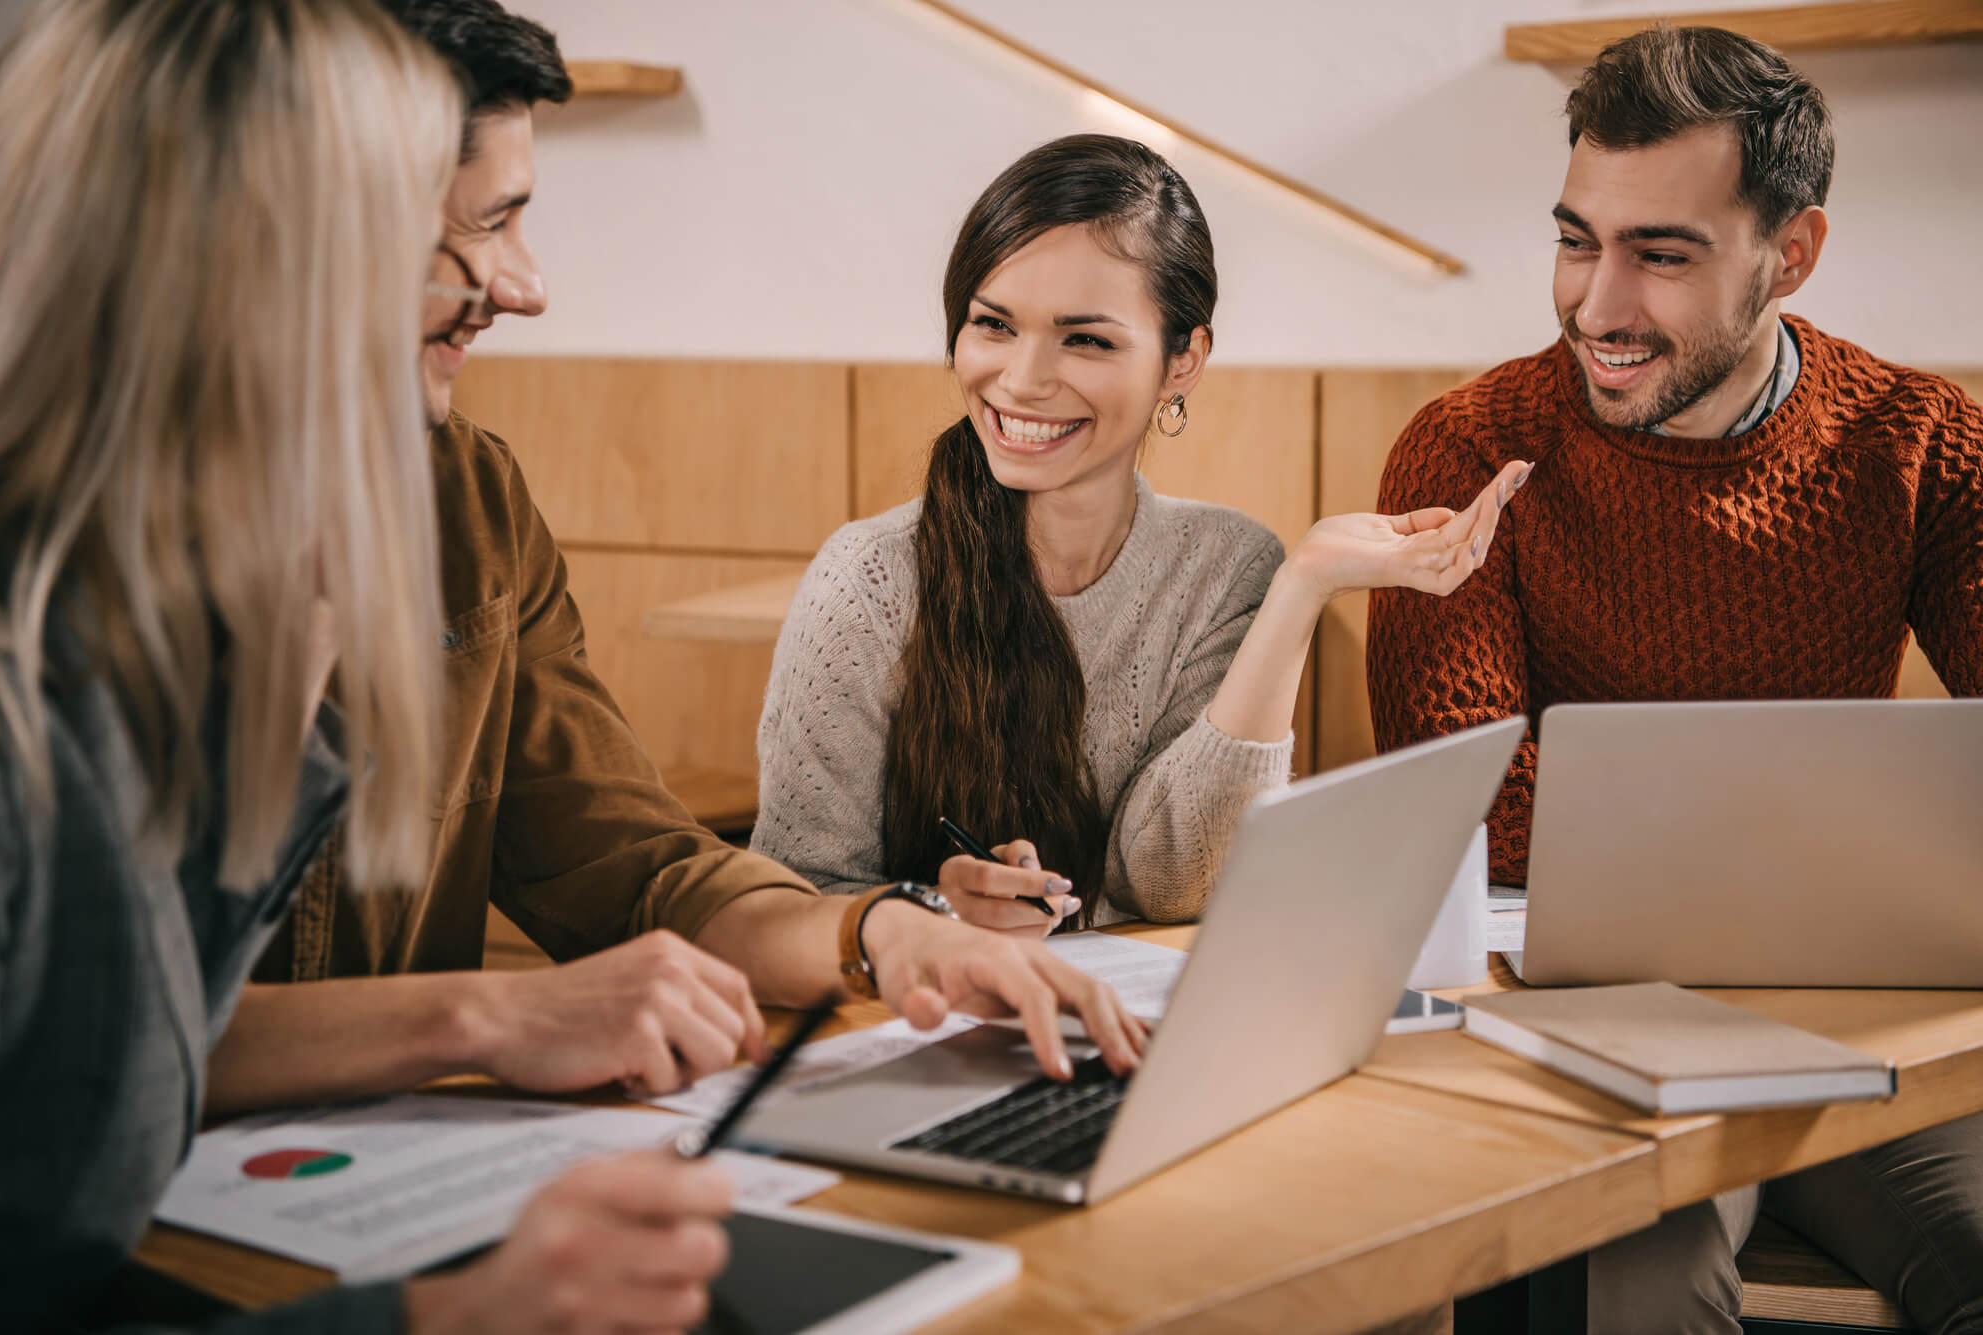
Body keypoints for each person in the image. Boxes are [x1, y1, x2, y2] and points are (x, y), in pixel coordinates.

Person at [206, 0, 1146, 1122]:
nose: (524, 286)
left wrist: (887, 933)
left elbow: (633, 868)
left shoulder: (471, 498)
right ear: (318, 235)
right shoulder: (46, 556)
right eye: (487, 228)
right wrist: (482, 1018)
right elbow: (64, 1048)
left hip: (351, 1180)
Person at [0, 3, 733, 1332]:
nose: (514, 289)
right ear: (271, 271)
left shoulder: (172, 633)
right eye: (465, 239)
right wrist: (455, 1317)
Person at [1367, 26, 1983, 1334]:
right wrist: (1833, 842)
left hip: (1867, 1015)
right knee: (1627, 1294)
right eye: (1578, 239)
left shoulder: (1925, 442)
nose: (1596, 305)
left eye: (1661, 253)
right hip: (1594, 1025)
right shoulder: (1469, 447)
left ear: (1792, 252)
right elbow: (1455, 793)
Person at [750, 133, 1526, 934]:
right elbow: (791, 897)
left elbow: (1174, 881)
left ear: (1183, 360)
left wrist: (1301, 588)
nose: (1022, 379)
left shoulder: (1227, 568)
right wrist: (924, 910)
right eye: (993, 325)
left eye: (1085, 338)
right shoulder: (868, 578)